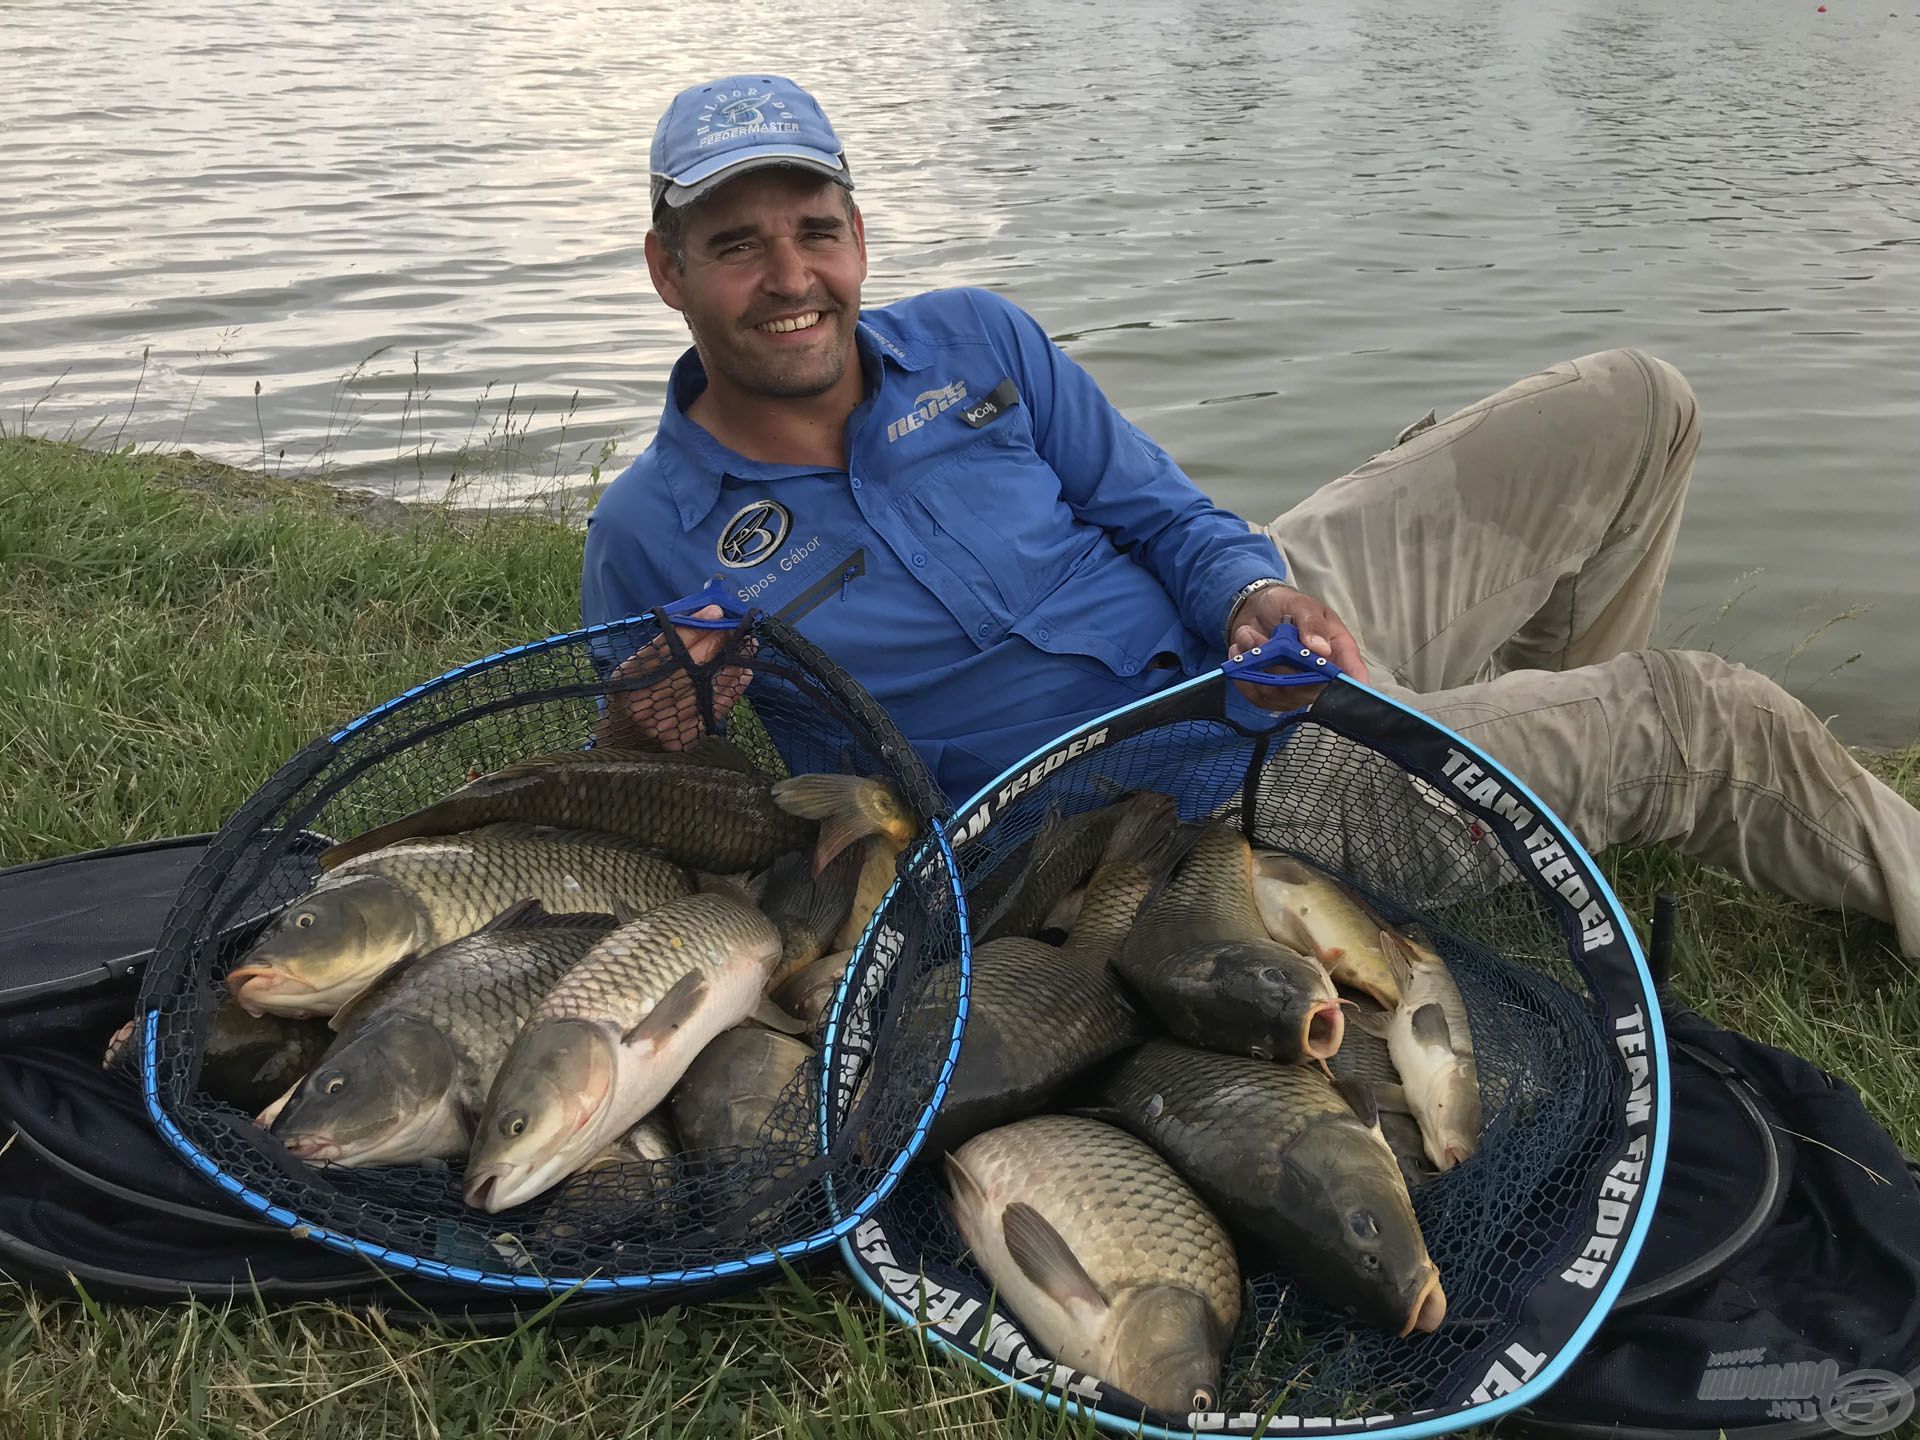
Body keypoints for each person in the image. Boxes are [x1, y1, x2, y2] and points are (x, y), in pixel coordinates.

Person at [582, 74, 1920, 958]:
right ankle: (1518, 783)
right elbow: (661, 813)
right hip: (1204, 806)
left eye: (812, 229)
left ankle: (1511, 807)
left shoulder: (978, 337)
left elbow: (1162, 511)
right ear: (666, 272)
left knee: (1636, 403)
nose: (789, 278)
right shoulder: (652, 528)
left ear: (860, 236)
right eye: (735, 245)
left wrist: (1253, 596)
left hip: (1267, 634)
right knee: (1705, 720)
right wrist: (639, 730)